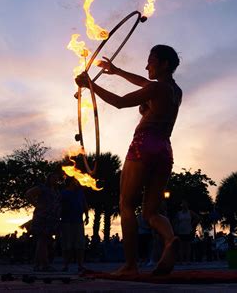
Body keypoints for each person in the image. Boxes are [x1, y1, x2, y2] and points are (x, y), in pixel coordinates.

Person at [76, 45, 182, 276]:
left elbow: (120, 102)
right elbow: (144, 83)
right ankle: (170, 239)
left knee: (126, 204)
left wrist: (89, 85)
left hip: (144, 145)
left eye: (151, 61)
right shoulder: (175, 91)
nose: (147, 66)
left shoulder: (156, 88)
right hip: (165, 149)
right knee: (151, 212)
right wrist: (117, 71)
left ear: (164, 64)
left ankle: (130, 265)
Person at [25, 170, 62, 272]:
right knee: (42, 240)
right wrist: (37, 205)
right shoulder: (43, 188)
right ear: (49, 179)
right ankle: (44, 264)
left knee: (44, 241)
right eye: (53, 178)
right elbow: (28, 193)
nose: (55, 180)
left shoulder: (56, 191)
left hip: (52, 219)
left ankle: (38, 264)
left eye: (56, 178)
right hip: (42, 217)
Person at [60, 176, 89, 272]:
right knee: (67, 245)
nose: (76, 182)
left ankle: (80, 265)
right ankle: (65, 265)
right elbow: (59, 206)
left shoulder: (80, 192)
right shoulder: (63, 193)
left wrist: (87, 216)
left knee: (80, 245)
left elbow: (84, 204)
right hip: (66, 221)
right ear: (69, 182)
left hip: (78, 221)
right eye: (74, 181)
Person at [174, 200, 200, 264]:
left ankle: (187, 260)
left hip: (188, 231)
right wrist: (176, 229)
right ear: (181, 206)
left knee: (188, 246)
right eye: (183, 205)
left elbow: (197, 218)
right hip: (180, 231)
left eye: (185, 205)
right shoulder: (179, 213)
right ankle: (181, 260)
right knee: (181, 246)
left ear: (187, 205)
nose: (184, 206)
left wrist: (192, 224)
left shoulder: (190, 212)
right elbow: (176, 222)